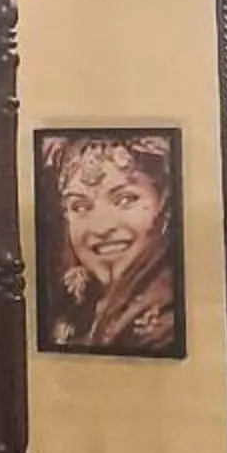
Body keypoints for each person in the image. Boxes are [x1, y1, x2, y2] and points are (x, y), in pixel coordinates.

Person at [42, 133, 179, 352]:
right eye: (79, 207)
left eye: (125, 200)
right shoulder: (73, 307)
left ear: (164, 205)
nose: (101, 227)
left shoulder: (166, 326)